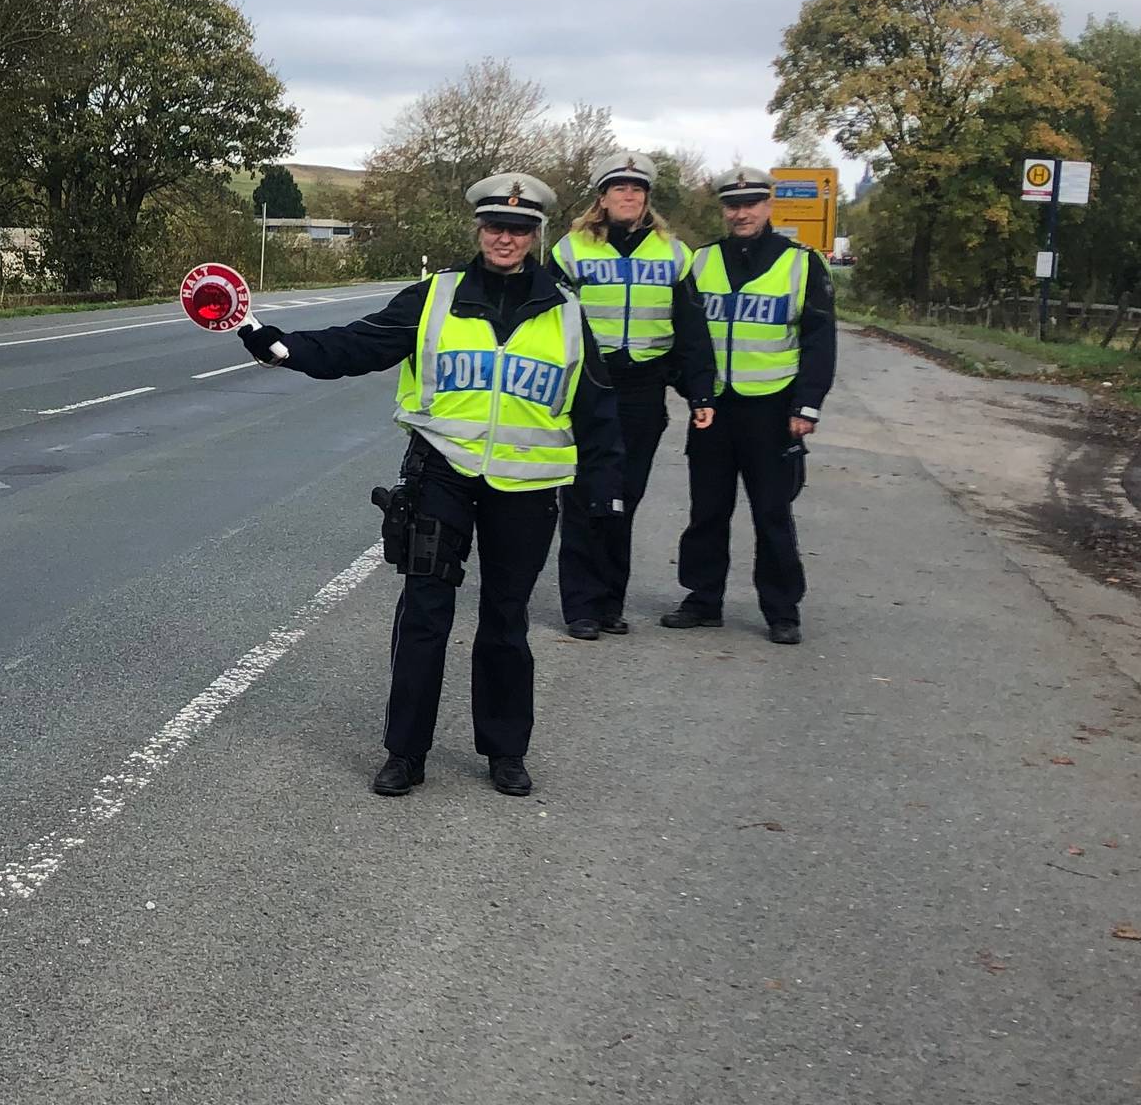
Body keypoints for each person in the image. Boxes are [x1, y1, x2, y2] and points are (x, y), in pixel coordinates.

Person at [236, 172, 624, 797]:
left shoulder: (568, 312)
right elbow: (356, 345)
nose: (506, 237)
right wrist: (279, 346)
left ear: (536, 234)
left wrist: (607, 491)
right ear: (479, 227)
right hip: (440, 474)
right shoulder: (434, 298)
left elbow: (597, 408)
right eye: (496, 225)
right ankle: (405, 753)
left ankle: (505, 752)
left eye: (520, 228)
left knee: (506, 619)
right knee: (424, 613)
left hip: (525, 491)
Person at [660, 165, 836, 645]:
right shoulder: (701, 262)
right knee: (707, 510)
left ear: (768, 207)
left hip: (774, 409)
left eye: (751, 204)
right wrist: (693, 391)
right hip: (713, 408)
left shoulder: (800, 263)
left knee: (772, 512)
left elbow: (819, 342)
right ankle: (702, 599)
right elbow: (688, 338)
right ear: (724, 209)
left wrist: (807, 406)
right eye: (733, 205)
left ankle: (781, 610)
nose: (742, 213)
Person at [549, 150, 716, 640]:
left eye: (637, 189)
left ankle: (609, 603)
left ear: (646, 199)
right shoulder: (571, 249)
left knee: (625, 497)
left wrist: (701, 393)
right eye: (619, 188)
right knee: (581, 496)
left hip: (643, 388)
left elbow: (692, 328)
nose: (629, 196)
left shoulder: (672, 253)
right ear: (601, 198)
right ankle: (580, 605)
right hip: (586, 388)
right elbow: (548, 320)